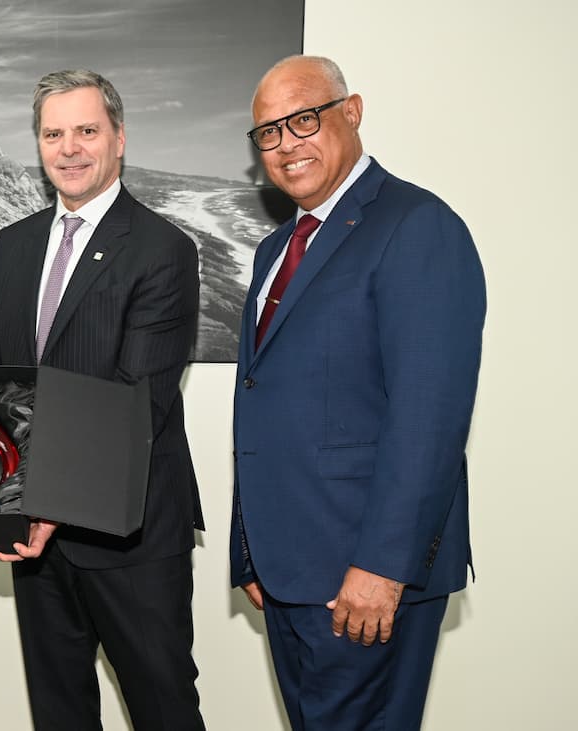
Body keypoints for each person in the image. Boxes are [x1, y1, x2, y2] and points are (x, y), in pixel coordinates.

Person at [230, 55, 486, 730]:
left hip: (363, 579)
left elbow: (428, 419)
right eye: (268, 132)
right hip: (289, 574)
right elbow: (262, 401)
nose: (286, 144)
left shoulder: (416, 227)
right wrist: (250, 550)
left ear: (353, 111)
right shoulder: (274, 249)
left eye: (303, 120)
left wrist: (381, 567)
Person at [0, 70, 205, 730]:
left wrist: (41, 501)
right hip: (33, 537)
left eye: (86, 131)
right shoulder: (13, 246)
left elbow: (136, 401)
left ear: (119, 139)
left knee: (164, 710)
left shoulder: (163, 250)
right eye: (52, 133)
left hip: (131, 536)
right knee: (59, 712)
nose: (68, 148)